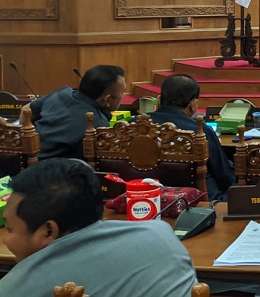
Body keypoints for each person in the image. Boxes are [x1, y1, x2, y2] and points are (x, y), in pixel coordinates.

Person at [0, 158, 197, 296]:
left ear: (48, 231)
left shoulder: (15, 288)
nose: (4, 239)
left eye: (10, 229)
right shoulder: (161, 233)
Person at [148, 74, 235, 202]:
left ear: (159, 100)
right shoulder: (200, 130)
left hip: (147, 198)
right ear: (193, 104)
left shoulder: (135, 125)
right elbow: (225, 177)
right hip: (197, 202)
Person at [24, 65, 126, 159]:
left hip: (24, 164)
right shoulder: (96, 124)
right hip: (57, 174)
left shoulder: (62, 93)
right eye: (122, 92)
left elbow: (25, 110)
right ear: (107, 100)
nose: (123, 95)